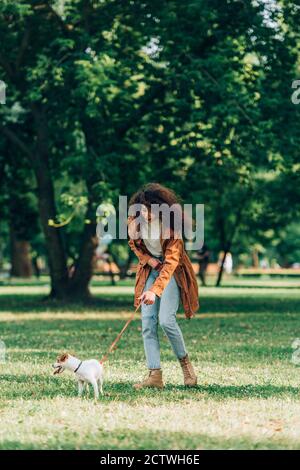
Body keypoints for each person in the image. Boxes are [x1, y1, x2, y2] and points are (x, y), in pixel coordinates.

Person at [128, 183, 199, 390]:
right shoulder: (135, 223)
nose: (144, 213)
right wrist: (150, 261)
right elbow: (134, 245)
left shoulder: (171, 227)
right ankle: (154, 375)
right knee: (148, 322)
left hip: (171, 271)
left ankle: (186, 366)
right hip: (151, 269)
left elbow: (171, 262)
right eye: (141, 208)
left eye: (148, 208)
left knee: (166, 320)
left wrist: (154, 290)